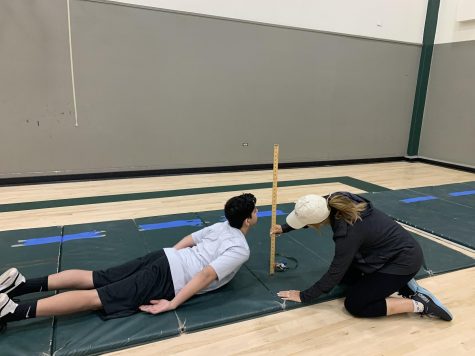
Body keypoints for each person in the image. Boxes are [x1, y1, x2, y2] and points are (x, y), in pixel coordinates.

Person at [0, 193, 258, 329]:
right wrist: (173, 304)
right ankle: (12, 310)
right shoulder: (240, 248)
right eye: (255, 211)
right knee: (96, 297)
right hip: (167, 275)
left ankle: (21, 285)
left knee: (95, 277)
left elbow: (189, 239)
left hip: (163, 257)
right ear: (247, 219)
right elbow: (205, 276)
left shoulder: (220, 226)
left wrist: (172, 256)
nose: (257, 213)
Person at [271, 192, 452, 321]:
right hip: (387, 252)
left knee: (356, 304)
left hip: (403, 261)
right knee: (349, 279)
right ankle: (401, 283)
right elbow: (313, 215)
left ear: (318, 221)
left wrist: (304, 296)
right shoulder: (334, 199)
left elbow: (335, 272)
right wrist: (285, 228)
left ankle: (420, 303)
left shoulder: (348, 234)